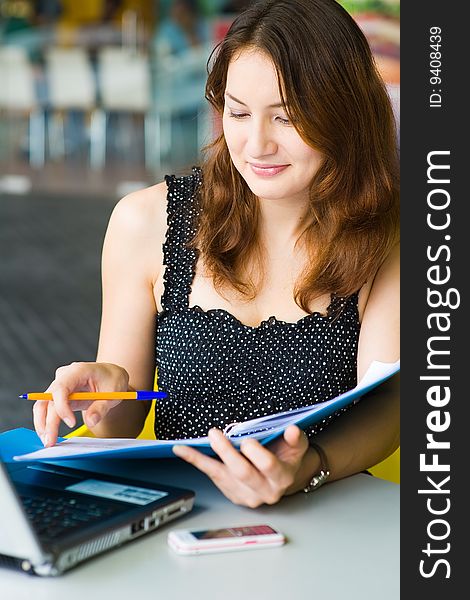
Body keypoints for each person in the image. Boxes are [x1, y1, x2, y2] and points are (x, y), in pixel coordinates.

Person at [33, 0, 400, 508]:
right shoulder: (146, 222)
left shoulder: (388, 237)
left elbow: (390, 404)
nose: (256, 144)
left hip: (327, 516)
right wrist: (107, 390)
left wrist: (306, 468)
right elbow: (122, 416)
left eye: (287, 117)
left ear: (344, 113)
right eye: (238, 112)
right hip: (175, 518)